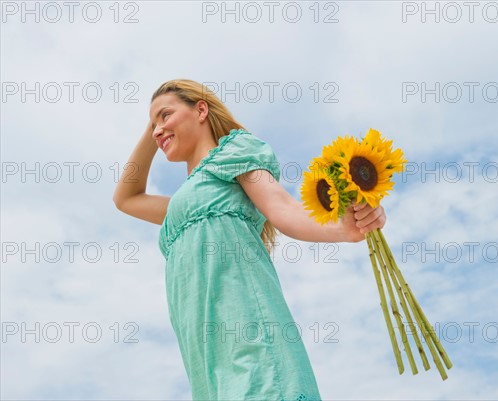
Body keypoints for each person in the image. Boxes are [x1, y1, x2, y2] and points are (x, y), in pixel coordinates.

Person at [112, 79, 387, 400]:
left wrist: (343, 229)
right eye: (153, 123)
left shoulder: (235, 154)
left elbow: (283, 210)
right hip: (208, 360)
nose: (157, 130)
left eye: (166, 115)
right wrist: (155, 125)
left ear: (201, 110)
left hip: (252, 342)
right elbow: (125, 198)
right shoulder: (182, 206)